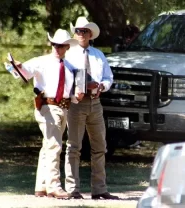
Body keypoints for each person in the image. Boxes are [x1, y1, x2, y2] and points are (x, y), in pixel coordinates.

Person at [5, 29, 78, 199]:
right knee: (54, 145)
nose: (56, 48)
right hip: (47, 106)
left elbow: (71, 90)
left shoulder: (69, 67)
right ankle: (54, 186)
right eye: (54, 44)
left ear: (67, 47)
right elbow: (22, 70)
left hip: (63, 107)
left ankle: (42, 186)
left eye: (60, 46)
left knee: (48, 146)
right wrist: (16, 64)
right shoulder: (41, 61)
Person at [64, 16, 119, 200]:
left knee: (100, 147)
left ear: (90, 34)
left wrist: (102, 86)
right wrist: (79, 87)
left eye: (84, 31)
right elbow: (64, 79)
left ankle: (99, 189)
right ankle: (72, 189)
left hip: (95, 103)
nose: (81, 34)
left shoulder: (98, 55)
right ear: (75, 33)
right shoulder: (69, 54)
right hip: (76, 103)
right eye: (78, 31)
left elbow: (108, 77)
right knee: (74, 147)